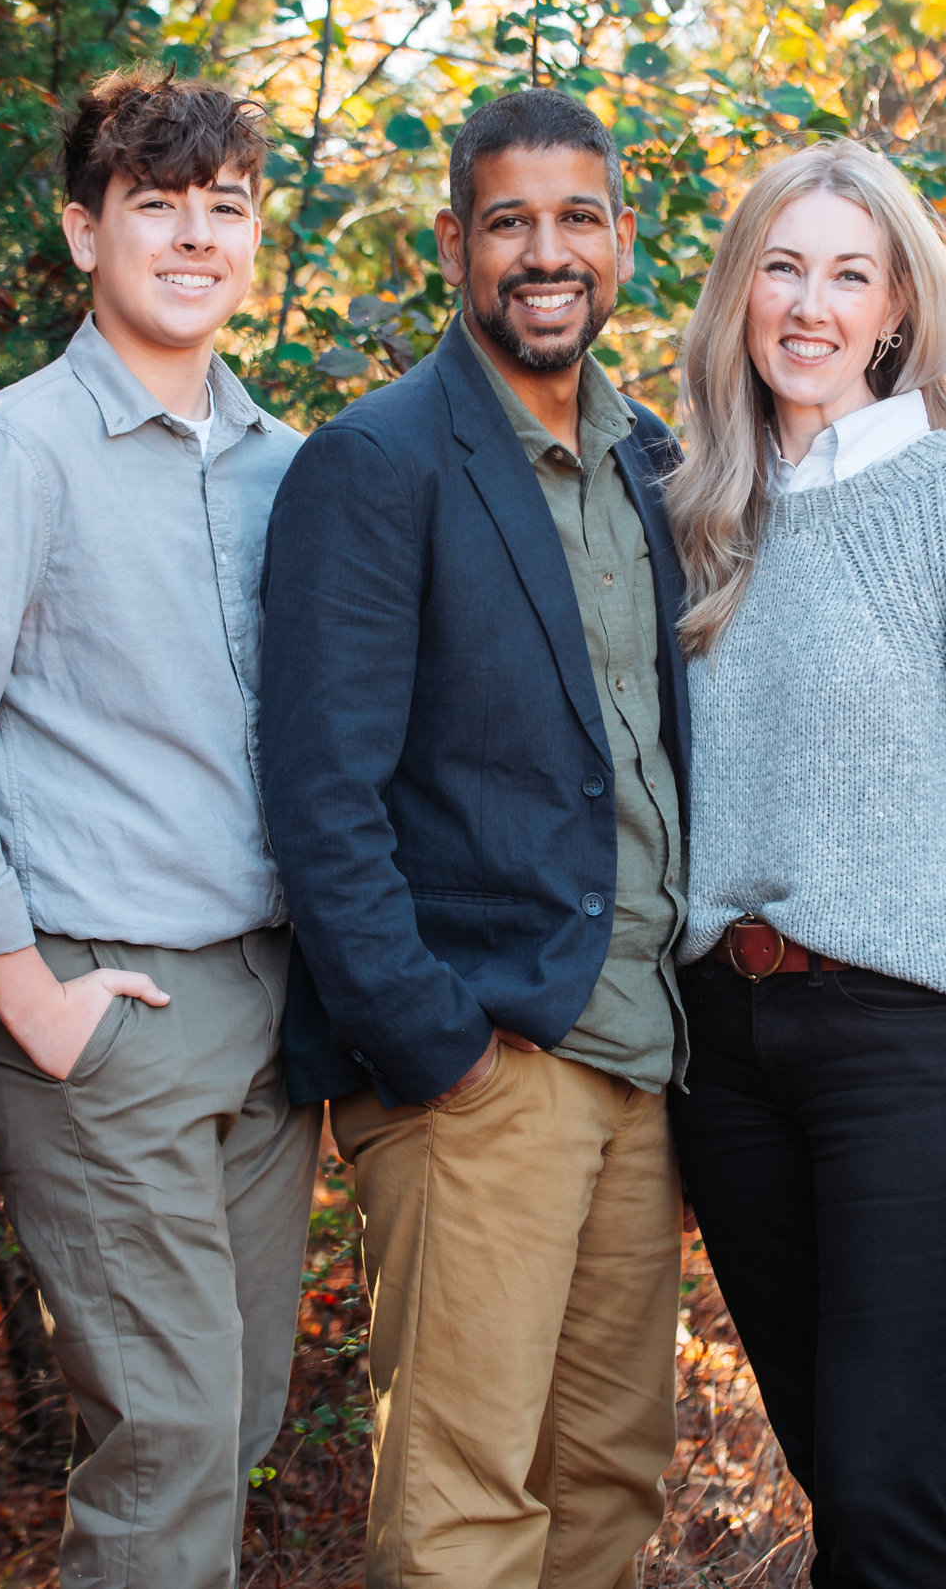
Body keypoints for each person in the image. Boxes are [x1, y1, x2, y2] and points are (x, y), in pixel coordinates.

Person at [0, 69, 312, 1589]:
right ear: (81, 229)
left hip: (266, 1002)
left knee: (233, 1413)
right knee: (169, 1432)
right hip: (100, 998)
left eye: (224, 207)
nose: (195, 237)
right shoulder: (20, 449)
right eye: (156, 205)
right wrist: (26, 991)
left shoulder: (285, 463)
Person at [259, 86, 689, 1588]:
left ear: (624, 241)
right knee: (463, 1509)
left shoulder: (656, 465)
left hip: (641, 1056)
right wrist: (431, 1043)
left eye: (578, 217)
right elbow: (320, 794)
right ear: (455, 243)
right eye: (510, 220)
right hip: (482, 1069)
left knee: (604, 1480)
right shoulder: (375, 464)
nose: (545, 250)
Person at [661, 139, 946, 1587]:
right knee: (836, 1480)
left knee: (886, 1494)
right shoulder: (693, 511)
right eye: (783, 266)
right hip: (725, 1049)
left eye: (850, 274)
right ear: (738, 293)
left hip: (906, 1043)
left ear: (899, 307)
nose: (811, 304)